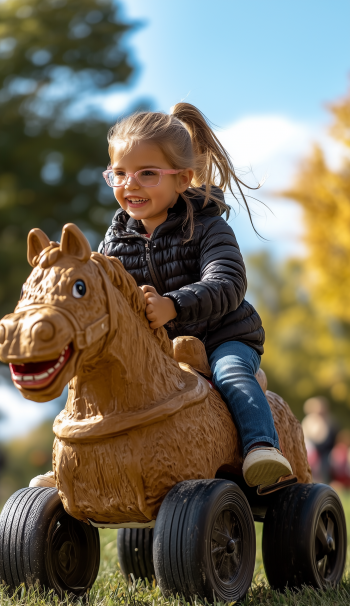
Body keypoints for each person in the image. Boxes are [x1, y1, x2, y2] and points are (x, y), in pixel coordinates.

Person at [97, 103, 293, 488]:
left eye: (147, 174)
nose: (130, 184)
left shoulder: (207, 226)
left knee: (231, 372)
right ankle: (91, 463)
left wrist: (173, 305)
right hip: (159, 349)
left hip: (223, 334)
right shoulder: (114, 242)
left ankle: (261, 448)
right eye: (119, 174)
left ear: (183, 179)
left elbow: (228, 281)